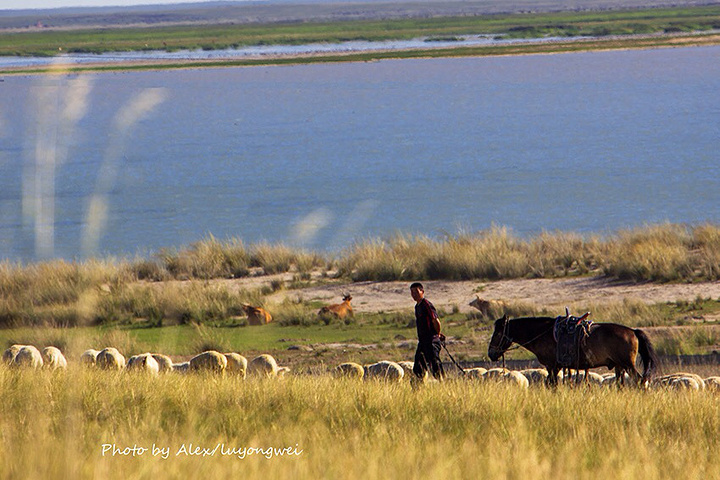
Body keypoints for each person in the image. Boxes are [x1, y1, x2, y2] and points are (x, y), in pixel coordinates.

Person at [410, 282, 445, 381]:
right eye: (412, 292)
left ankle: (443, 384)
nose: (414, 295)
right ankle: (418, 389)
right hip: (422, 341)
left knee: (435, 365)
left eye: (416, 292)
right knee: (418, 367)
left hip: (431, 341)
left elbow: (436, 321)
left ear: (422, 291)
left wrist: (437, 334)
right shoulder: (417, 306)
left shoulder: (426, 304)